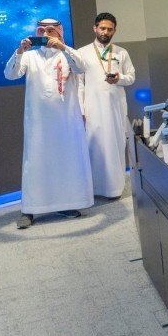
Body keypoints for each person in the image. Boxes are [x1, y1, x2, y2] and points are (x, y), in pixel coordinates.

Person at [4, 18, 93, 229]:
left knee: (65, 160)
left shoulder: (67, 53)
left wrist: (62, 47)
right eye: (41, 30)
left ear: (59, 33)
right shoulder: (30, 56)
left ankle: (67, 203)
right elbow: (10, 74)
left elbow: (81, 68)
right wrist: (20, 51)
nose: (45, 35)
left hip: (65, 121)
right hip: (38, 123)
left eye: (51, 31)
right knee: (35, 163)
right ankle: (30, 209)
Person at [63, 12, 135, 200]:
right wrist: (81, 110)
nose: (105, 32)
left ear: (114, 31)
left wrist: (119, 78)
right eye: (102, 28)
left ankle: (115, 188)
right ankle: (95, 188)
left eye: (110, 29)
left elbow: (131, 77)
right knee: (94, 146)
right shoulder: (82, 53)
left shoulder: (121, 52)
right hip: (92, 108)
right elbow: (79, 84)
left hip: (116, 108)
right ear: (95, 28)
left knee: (116, 144)